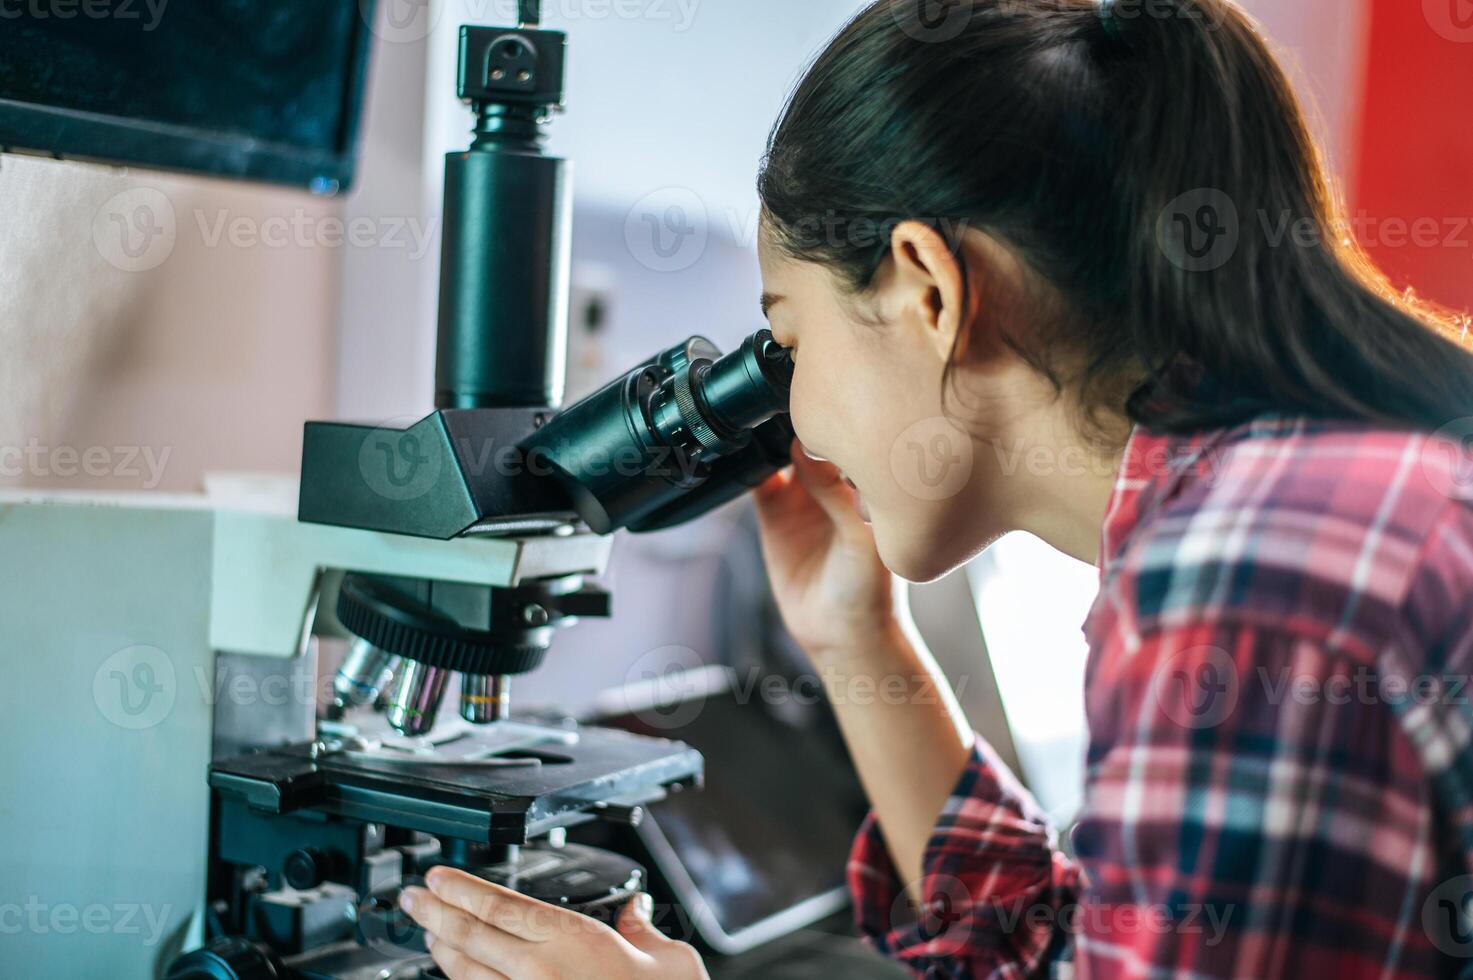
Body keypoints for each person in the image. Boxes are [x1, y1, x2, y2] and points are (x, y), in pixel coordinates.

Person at [398, 0, 1473, 976]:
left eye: (787, 338)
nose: (795, 418)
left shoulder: (1253, 572)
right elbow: (1082, 956)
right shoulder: (1292, 500)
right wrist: (855, 641)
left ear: (927, 292)